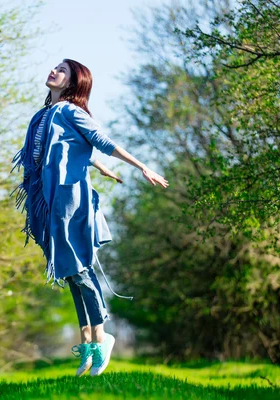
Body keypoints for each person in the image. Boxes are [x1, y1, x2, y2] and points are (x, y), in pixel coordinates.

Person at [11, 59, 168, 377]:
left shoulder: (70, 111)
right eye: (54, 67)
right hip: (48, 200)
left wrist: (141, 167)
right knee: (70, 273)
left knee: (80, 269)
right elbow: (63, 148)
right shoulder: (43, 116)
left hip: (71, 199)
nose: (53, 71)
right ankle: (88, 344)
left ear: (73, 83)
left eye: (62, 70)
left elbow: (102, 141)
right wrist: (96, 165)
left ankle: (102, 338)